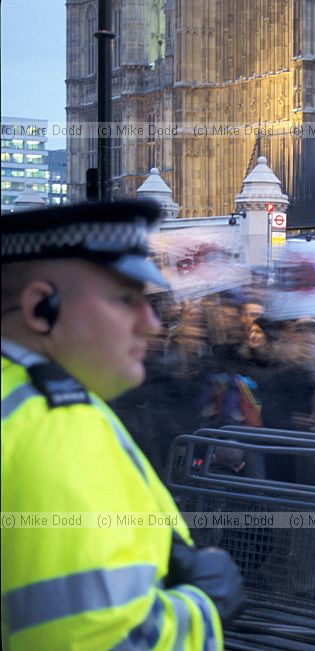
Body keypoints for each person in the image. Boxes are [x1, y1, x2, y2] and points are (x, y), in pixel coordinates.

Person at [1, 200, 243, 649]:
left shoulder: (27, 400)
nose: (152, 325)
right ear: (41, 308)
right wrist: (204, 605)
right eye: (126, 299)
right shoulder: (53, 426)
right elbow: (95, 638)